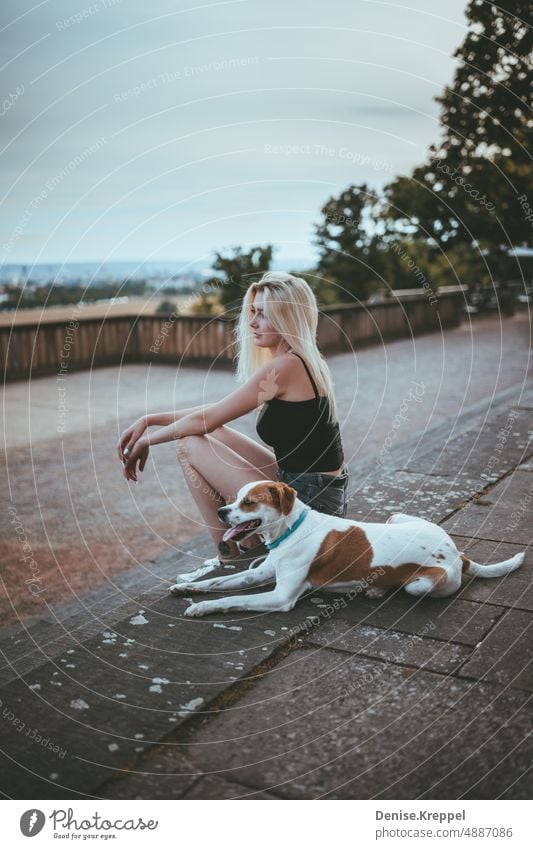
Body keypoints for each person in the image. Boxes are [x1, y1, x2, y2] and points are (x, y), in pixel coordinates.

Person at [117, 271, 349, 568]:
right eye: (254, 312)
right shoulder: (300, 359)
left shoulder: (286, 366)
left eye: (263, 314)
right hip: (316, 490)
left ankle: (229, 558)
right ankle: (246, 545)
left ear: (287, 317)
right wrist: (151, 419)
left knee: (189, 444)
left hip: (312, 506)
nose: (253, 321)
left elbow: (205, 420)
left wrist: (147, 440)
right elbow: (217, 414)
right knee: (218, 434)